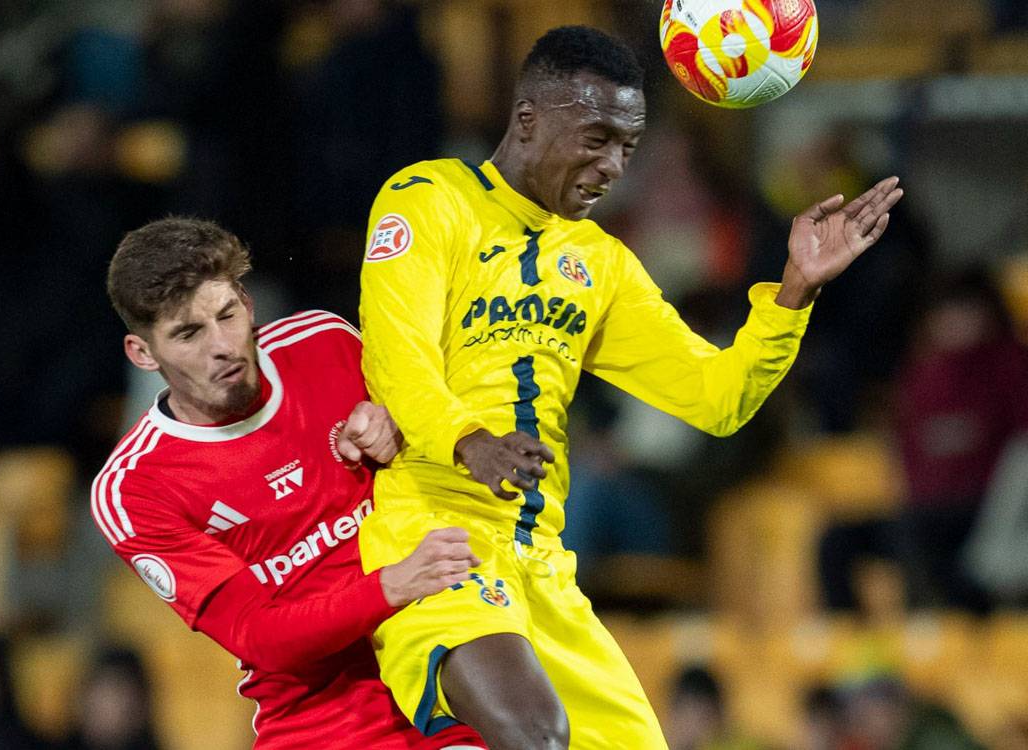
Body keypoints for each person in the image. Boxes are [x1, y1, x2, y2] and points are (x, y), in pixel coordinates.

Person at [357, 25, 903, 750]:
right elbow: (400, 364)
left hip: (541, 565)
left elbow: (717, 398)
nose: (614, 166)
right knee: (536, 733)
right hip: (435, 541)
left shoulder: (600, 264)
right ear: (529, 120)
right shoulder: (427, 201)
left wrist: (794, 292)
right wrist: (468, 441)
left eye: (628, 147)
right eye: (597, 138)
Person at [94, 218, 485, 749]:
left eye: (227, 315)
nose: (223, 346)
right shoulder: (135, 487)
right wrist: (393, 585)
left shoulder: (325, 343)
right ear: (142, 353)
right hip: (328, 722)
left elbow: (458, 437)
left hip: (454, 666)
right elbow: (260, 637)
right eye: (188, 333)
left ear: (248, 304)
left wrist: (401, 426)